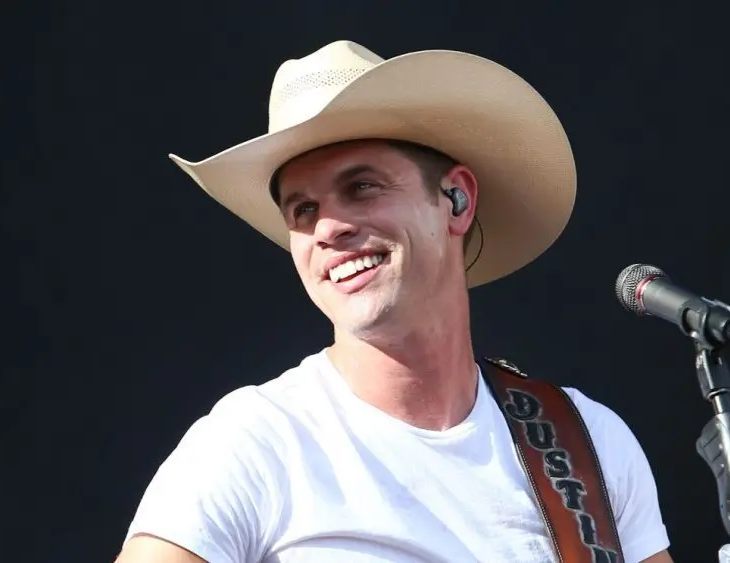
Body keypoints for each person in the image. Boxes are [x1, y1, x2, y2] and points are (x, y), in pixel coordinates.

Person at [117, 40, 673, 563]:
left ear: (456, 200)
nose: (328, 228)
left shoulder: (587, 443)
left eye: (361, 187)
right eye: (303, 211)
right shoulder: (256, 443)